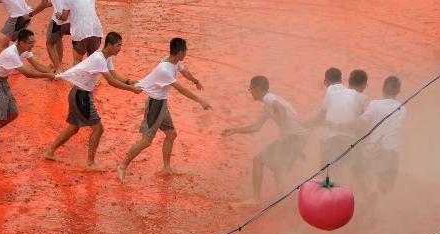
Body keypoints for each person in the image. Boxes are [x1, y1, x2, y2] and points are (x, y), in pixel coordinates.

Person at [43, 31, 142, 169]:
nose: (120, 48)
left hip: (78, 94)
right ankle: (90, 163)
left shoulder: (106, 57)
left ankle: (50, 151)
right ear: (110, 45)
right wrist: (132, 90)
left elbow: (114, 75)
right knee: (98, 129)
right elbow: (111, 81)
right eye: (119, 45)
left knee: (73, 128)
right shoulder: (99, 59)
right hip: (81, 96)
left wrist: (129, 81)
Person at [117, 37, 210, 181]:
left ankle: (166, 168)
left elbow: (185, 72)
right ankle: (122, 166)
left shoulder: (174, 61)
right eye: (185, 51)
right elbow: (182, 90)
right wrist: (201, 100)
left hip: (162, 104)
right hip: (155, 105)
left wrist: (195, 81)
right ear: (180, 52)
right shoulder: (165, 69)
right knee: (146, 141)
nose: (186, 53)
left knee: (171, 134)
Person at [222, 75, 309, 201]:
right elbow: (256, 127)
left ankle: (256, 198)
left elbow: (281, 109)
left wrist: (283, 132)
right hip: (298, 138)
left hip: (293, 137)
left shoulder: (269, 98)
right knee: (276, 166)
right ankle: (284, 197)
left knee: (258, 160)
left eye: (250, 88)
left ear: (257, 88)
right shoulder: (267, 106)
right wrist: (235, 130)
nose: (250, 91)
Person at [0, 28, 55, 157]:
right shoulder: (12, 53)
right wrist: (48, 75)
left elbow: (37, 65)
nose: (33, 45)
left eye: (33, 42)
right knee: (1, 118)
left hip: (3, 81)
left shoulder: (25, 51)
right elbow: (27, 74)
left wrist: (53, 73)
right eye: (30, 43)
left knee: (13, 113)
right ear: (21, 43)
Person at [307, 67, 369, 176]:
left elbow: (320, 117)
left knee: (326, 176)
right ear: (364, 85)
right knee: (357, 174)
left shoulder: (332, 90)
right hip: (349, 142)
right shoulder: (363, 99)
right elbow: (364, 126)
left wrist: (305, 124)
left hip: (329, 140)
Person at [355, 75, 405, 193]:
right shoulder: (402, 109)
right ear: (398, 91)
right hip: (392, 152)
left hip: (374, 150)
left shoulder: (374, 104)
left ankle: (369, 194)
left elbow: (360, 124)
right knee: (385, 188)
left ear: (382, 89)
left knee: (364, 177)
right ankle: (376, 194)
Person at [27, 0, 69, 73]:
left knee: (49, 43)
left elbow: (43, 4)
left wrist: (30, 14)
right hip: (68, 14)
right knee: (58, 39)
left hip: (59, 17)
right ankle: (58, 64)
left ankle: (58, 70)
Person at [60, 0, 103, 65]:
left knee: (77, 61)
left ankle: (77, 79)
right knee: (93, 61)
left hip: (80, 32)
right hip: (95, 30)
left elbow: (64, 17)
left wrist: (58, 15)